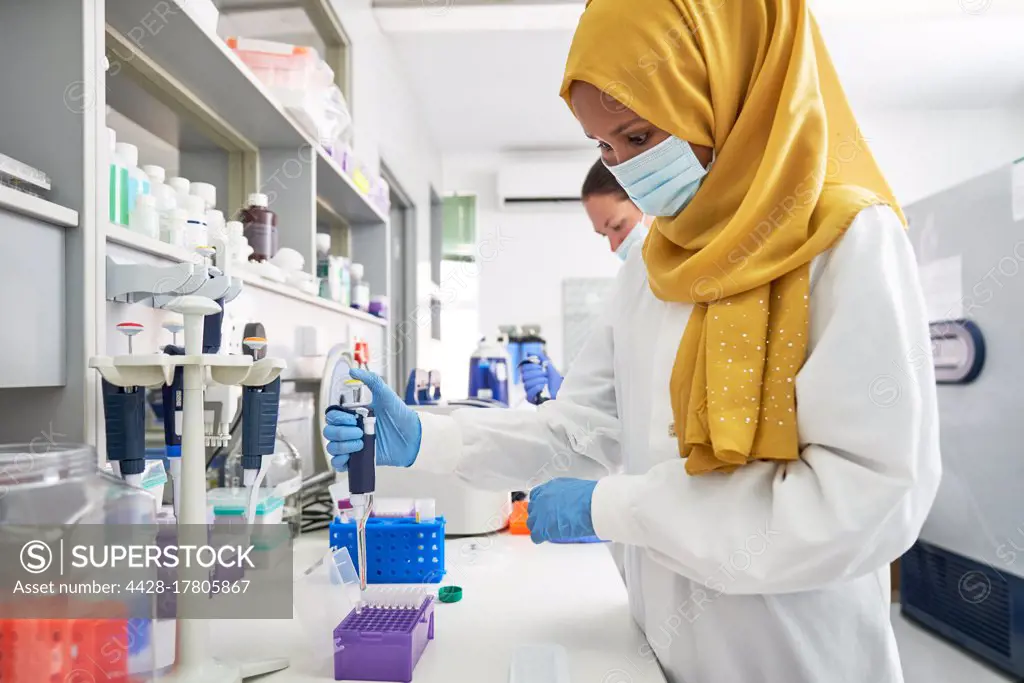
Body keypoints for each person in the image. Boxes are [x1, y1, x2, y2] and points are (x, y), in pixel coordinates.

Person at [325, 1, 941, 680]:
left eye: (640, 135)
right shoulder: (654, 270)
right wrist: (430, 438)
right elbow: (576, 430)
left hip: (800, 661)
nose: (626, 169)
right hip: (662, 653)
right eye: (605, 149)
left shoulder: (846, 240)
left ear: (726, 85)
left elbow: (868, 499)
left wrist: (613, 505)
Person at [521, 160, 653, 403]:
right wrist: (567, 395)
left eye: (617, 226)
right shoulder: (629, 288)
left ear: (651, 202)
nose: (614, 246)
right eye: (605, 236)